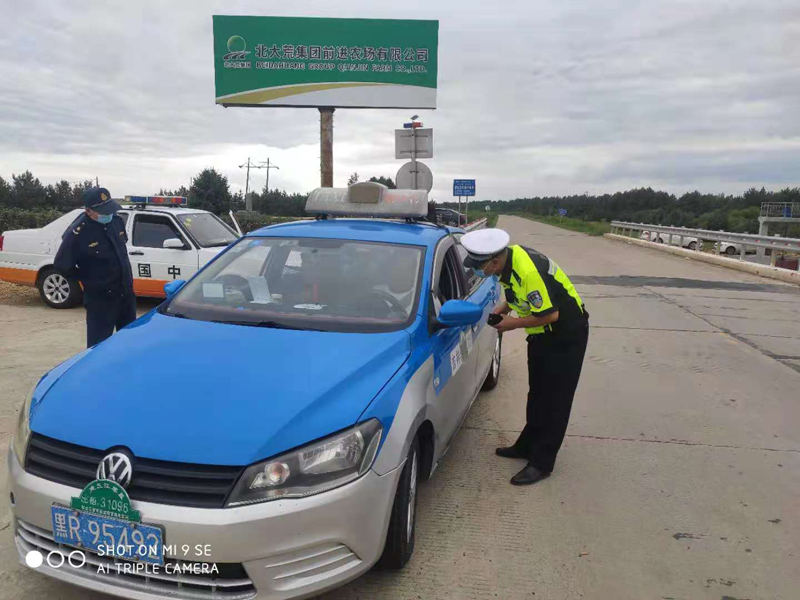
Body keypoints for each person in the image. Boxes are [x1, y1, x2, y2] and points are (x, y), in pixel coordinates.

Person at [461, 228, 589, 486]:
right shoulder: (506, 263)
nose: (476, 271)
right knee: (537, 394)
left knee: (556, 401)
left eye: (479, 267)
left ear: (495, 260)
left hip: (565, 335)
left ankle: (542, 463)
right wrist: (500, 310)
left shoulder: (529, 271)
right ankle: (526, 445)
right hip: (542, 335)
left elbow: (551, 314)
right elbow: (513, 294)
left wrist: (512, 323)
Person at [54, 187, 136, 347]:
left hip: (125, 294)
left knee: (129, 341)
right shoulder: (78, 232)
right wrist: (89, 280)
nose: (108, 214)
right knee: (98, 346)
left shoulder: (116, 221)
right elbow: (62, 265)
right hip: (101, 300)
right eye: (103, 211)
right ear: (88, 211)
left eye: (109, 209)